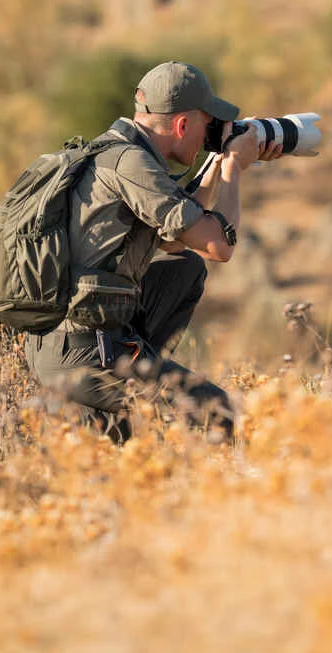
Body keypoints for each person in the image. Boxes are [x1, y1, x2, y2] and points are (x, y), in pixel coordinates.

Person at [25, 61, 282, 442]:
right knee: (215, 411)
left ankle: (128, 394)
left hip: (63, 345)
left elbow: (176, 239)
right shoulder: (133, 165)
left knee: (184, 267)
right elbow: (218, 245)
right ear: (181, 125)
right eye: (208, 127)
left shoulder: (116, 153)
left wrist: (214, 163)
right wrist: (233, 167)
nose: (209, 137)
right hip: (86, 351)